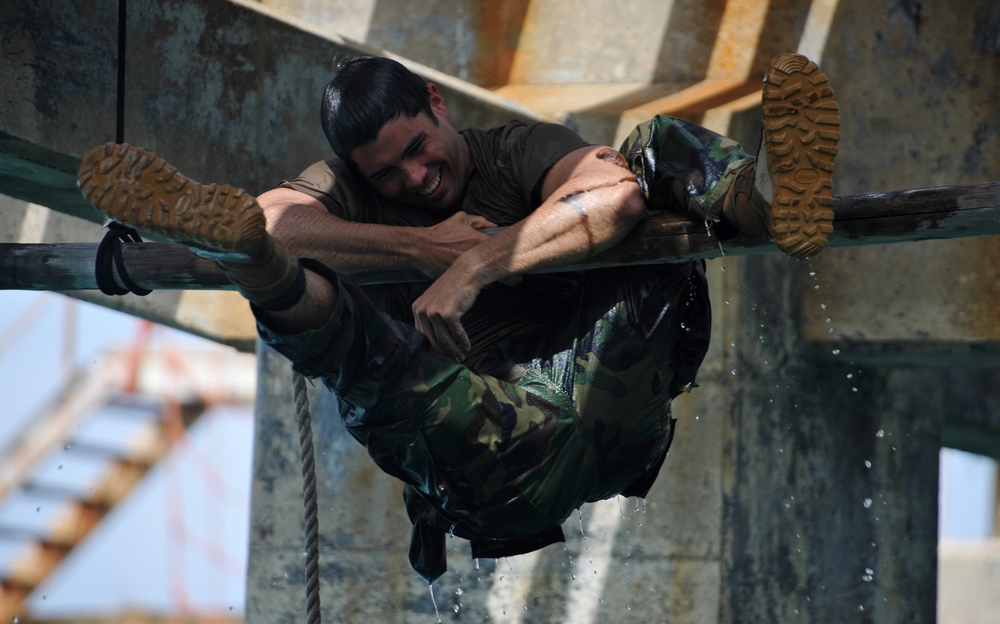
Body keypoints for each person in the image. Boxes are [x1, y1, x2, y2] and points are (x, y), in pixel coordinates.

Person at [77, 53, 839, 581]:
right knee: (345, 330)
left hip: (609, 400)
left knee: (647, 151)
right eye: (389, 173)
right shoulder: (346, 190)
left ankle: (756, 197)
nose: (416, 175)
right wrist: (420, 244)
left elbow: (617, 195)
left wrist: (476, 263)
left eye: (419, 148)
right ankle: (254, 271)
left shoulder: (511, 153)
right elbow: (274, 214)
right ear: (356, 172)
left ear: (437, 105)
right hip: (490, 460)